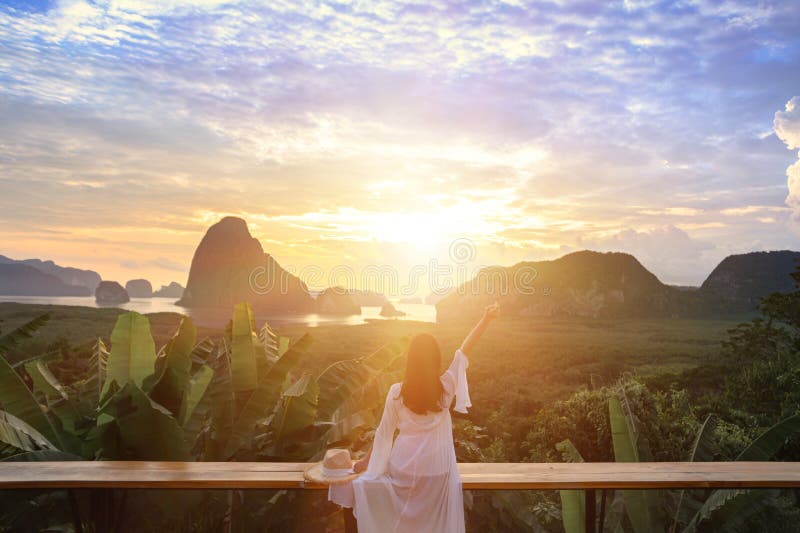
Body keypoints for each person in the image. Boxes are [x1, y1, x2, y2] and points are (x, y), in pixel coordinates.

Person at [329, 302, 500, 532]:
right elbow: (463, 351)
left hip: (403, 472)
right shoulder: (446, 388)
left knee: (361, 489)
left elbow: (384, 435)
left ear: (410, 361)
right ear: (436, 360)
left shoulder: (397, 392)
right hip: (438, 475)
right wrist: (486, 319)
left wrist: (361, 463)